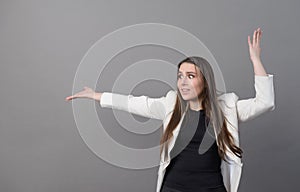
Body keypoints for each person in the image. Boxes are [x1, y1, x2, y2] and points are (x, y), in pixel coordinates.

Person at [65, 28, 275, 192]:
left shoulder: (226, 107)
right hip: (173, 187)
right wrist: (96, 95)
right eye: (180, 76)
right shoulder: (170, 104)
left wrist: (256, 59)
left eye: (190, 76)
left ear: (206, 81)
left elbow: (264, 102)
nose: (183, 82)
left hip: (211, 188)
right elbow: (133, 103)